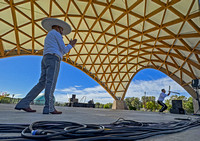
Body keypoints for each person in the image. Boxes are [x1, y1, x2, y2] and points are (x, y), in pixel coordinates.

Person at [15, 18, 77, 114]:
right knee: (50, 82)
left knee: (42, 83)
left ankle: (24, 103)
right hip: (53, 58)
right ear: (58, 27)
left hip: (45, 58)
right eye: (62, 30)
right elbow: (64, 50)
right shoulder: (56, 34)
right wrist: (71, 45)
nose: (62, 32)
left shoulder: (49, 35)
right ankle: (49, 107)